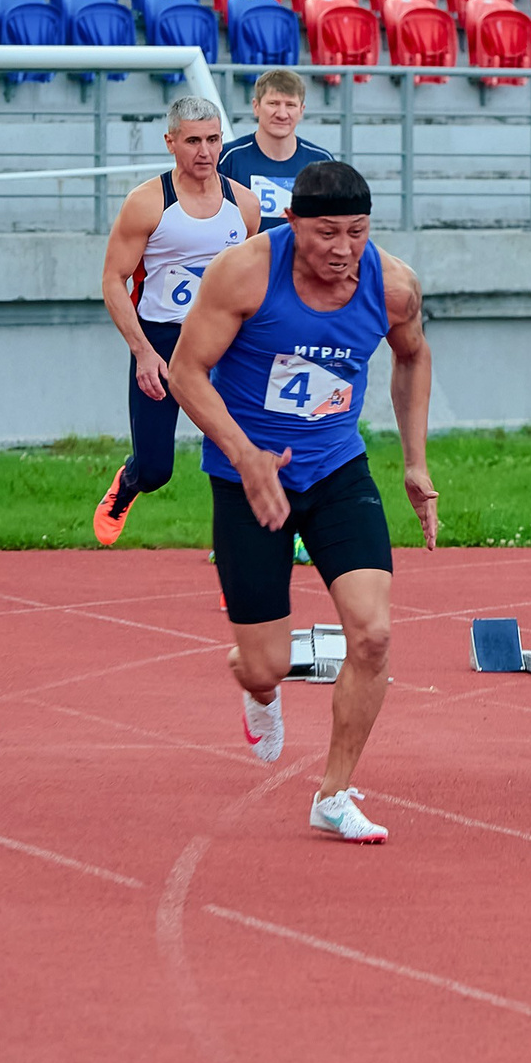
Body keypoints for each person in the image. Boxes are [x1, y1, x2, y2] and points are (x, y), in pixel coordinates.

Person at [166, 162, 440, 843]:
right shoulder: (243, 274)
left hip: (336, 468)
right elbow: (186, 371)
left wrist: (414, 462)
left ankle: (333, 791)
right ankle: (257, 687)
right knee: (265, 663)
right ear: (293, 222)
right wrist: (244, 455)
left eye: (357, 232)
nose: (343, 249)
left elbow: (412, 356)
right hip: (249, 477)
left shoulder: (393, 286)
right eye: (326, 234)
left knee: (373, 634)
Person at [93, 97, 260, 545]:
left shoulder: (244, 205)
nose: (205, 152)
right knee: (155, 469)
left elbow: (250, 280)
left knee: (243, 450)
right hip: (162, 341)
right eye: (193, 141)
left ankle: (251, 546)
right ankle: (128, 483)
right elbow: (113, 280)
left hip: (223, 342)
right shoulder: (147, 203)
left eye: (213, 140)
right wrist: (143, 352)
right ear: (170, 142)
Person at [215, 68, 335, 227]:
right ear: (256, 106)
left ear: (301, 111)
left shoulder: (322, 162)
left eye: (290, 105)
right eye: (273, 103)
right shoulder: (227, 158)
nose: (282, 114)